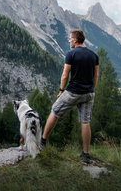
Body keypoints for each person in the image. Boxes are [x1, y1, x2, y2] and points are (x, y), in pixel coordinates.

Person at [40, 29, 99, 164]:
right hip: (89, 93)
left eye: (70, 38)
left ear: (76, 40)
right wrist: (91, 89)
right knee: (85, 121)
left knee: (54, 111)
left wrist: (61, 90)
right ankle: (85, 154)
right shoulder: (94, 55)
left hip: (73, 92)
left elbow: (65, 75)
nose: (69, 40)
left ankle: (42, 141)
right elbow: (96, 76)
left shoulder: (71, 54)